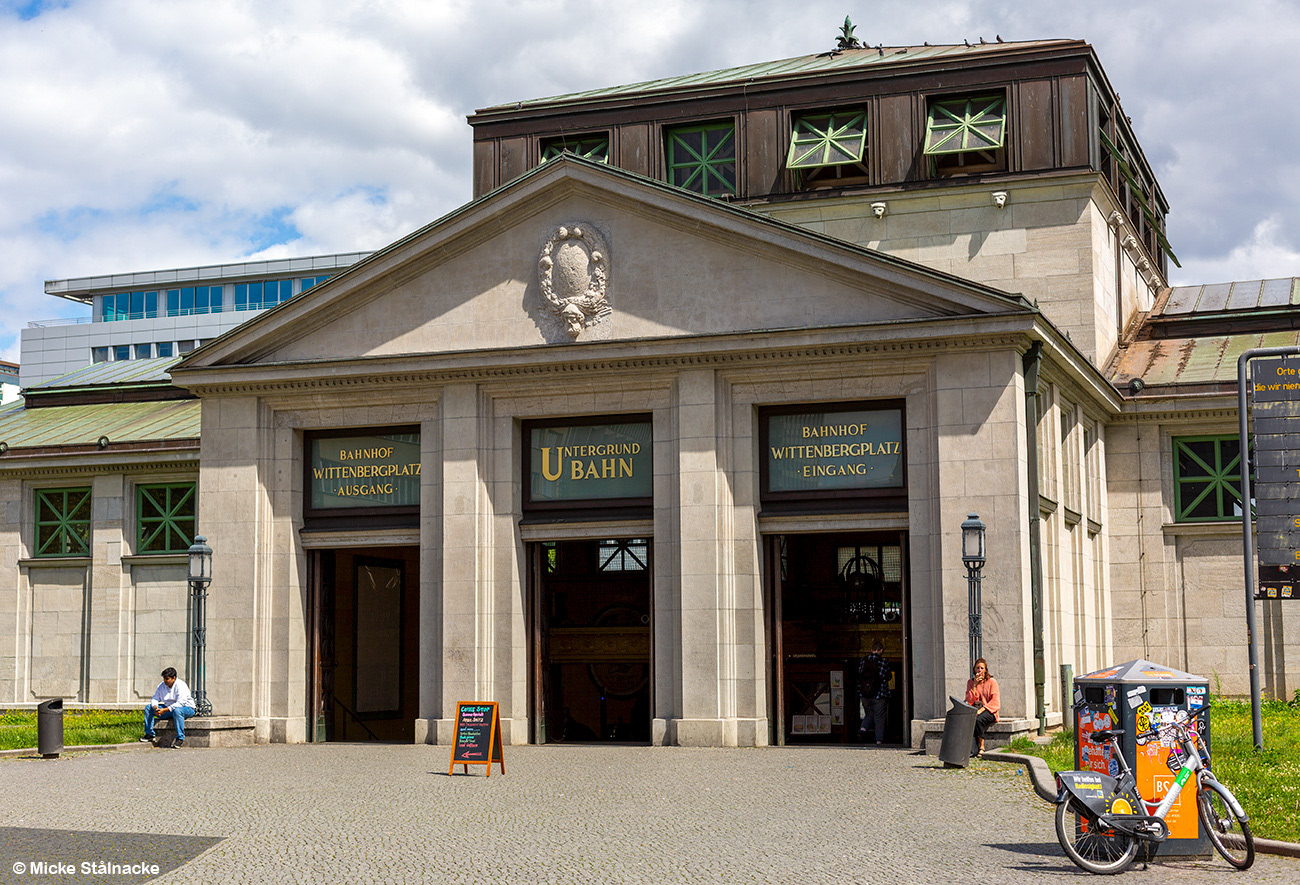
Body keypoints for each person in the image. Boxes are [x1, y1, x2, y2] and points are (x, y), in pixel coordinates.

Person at [142, 667, 196, 748]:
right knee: (148, 708)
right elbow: (155, 698)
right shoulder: (162, 685)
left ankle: (180, 738)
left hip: (186, 708)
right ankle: (149, 734)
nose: (165, 681)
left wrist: (164, 710)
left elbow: (181, 703)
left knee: (177, 711)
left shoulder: (181, 685)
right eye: (164, 678)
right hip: (168, 709)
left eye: (167, 679)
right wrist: (156, 707)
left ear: (174, 678)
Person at [857, 639, 891, 745]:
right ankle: (879, 740)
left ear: (871, 650)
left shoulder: (863, 660)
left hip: (865, 694)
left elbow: (860, 674)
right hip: (879, 694)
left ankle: (862, 729)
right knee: (879, 717)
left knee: (869, 714)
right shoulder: (883, 661)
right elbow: (888, 676)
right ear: (881, 650)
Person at [965, 657, 1000, 757]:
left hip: (989, 710)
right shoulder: (970, 682)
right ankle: (969, 749)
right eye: (977, 668)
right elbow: (969, 700)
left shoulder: (991, 682)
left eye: (981, 668)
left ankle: (982, 746)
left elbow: (995, 701)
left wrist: (982, 709)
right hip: (975, 709)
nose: (979, 670)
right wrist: (974, 686)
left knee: (978, 719)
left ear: (985, 670)